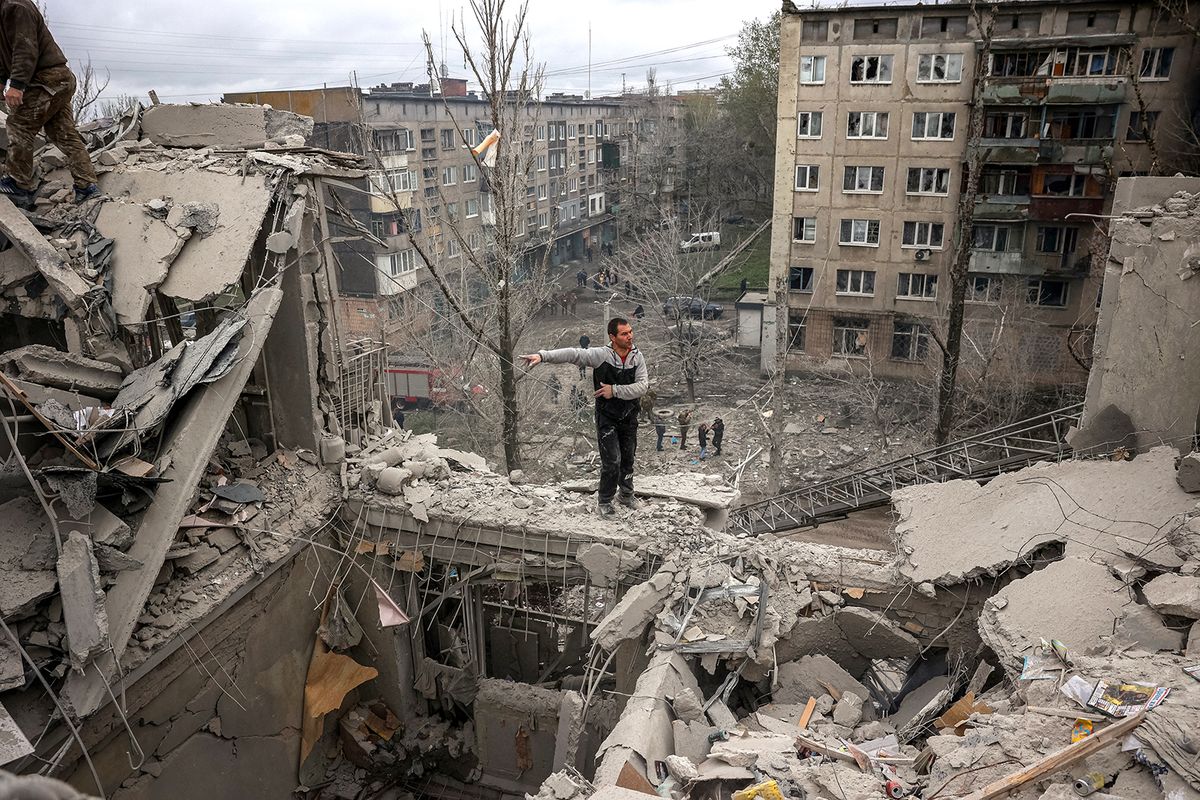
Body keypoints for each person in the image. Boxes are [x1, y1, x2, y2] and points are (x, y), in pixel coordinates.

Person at [521, 317, 648, 516]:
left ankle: (626, 494)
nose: (630, 336)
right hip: (607, 417)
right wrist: (543, 356)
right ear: (613, 337)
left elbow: (642, 387)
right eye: (624, 333)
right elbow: (574, 354)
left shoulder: (637, 357)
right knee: (612, 461)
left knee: (628, 459)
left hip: (630, 415)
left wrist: (614, 390)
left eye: (630, 332)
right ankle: (605, 501)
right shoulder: (601, 356)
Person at [0, 1, 98, 207]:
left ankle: (18, 185)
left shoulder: (16, 7)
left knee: (19, 125)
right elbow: (5, 55)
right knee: (63, 134)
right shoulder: (4, 13)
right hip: (58, 79)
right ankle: (87, 185)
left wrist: (16, 85)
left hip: (48, 78)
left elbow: (25, 48)